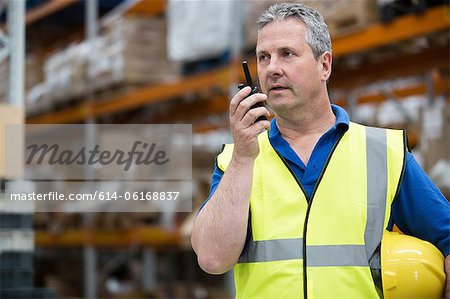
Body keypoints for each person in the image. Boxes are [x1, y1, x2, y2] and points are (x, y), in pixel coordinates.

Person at [191, 3, 450, 298]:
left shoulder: (382, 153)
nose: (272, 68)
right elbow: (212, 259)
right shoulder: (236, 160)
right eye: (264, 57)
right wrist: (242, 157)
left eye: (287, 54)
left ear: (324, 65)